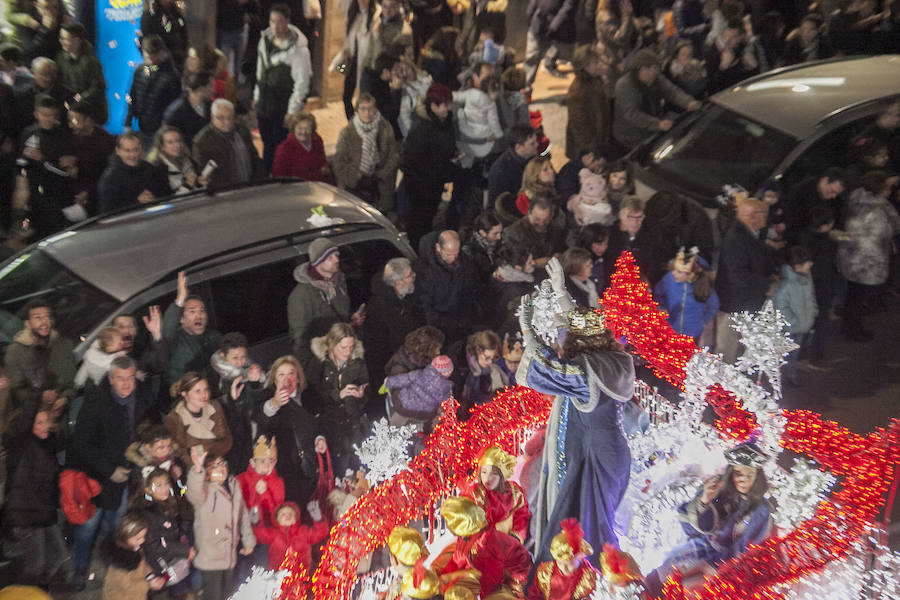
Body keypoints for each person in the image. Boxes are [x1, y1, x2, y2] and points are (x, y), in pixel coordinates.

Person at [518, 258, 634, 567]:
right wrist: (560, 291)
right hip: (611, 453)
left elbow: (543, 370)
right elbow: (582, 326)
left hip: (593, 458)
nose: (561, 341)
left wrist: (527, 331)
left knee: (588, 529)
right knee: (598, 524)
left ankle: (583, 580)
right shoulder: (614, 359)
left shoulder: (586, 374)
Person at [70, 355, 154, 590]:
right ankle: (80, 568)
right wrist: (108, 470)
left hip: (125, 478)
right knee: (87, 528)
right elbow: (82, 444)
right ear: (110, 379)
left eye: (130, 379)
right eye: (120, 379)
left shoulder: (139, 399)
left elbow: (145, 427)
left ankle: (106, 564)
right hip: (96, 480)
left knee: (113, 527)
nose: (126, 384)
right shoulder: (97, 401)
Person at [647, 443, 773, 595]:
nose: (743, 480)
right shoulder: (723, 491)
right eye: (738, 473)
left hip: (727, 564)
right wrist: (704, 501)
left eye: (749, 475)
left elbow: (742, 549)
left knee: (684, 586)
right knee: (661, 575)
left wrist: (710, 566)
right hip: (703, 547)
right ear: (731, 472)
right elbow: (695, 528)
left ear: (757, 476)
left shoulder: (761, 509)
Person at [5, 391, 66, 587]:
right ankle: (28, 592)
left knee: (60, 554)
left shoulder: (48, 442)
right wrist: (35, 390)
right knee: (35, 565)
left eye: (46, 421)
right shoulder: (20, 445)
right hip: (26, 516)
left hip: (43, 510)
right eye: (39, 422)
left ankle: (41, 587)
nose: (45, 426)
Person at [186, 444, 256, 600]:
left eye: (223, 464)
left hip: (229, 557)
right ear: (206, 474)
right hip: (210, 558)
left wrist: (248, 540)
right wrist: (197, 470)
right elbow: (193, 490)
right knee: (212, 596)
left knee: (228, 594)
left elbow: (243, 515)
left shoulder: (233, 485)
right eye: (214, 466)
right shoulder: (204, 491)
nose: (221, 468)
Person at [838, 170, 900, 343]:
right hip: (867, 259)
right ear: (881, 190)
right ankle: (854, 331)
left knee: (852, 295)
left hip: (850, 254)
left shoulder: (855, 199)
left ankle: (848, 327)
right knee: (858, 298)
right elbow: (887, 231)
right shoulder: (878, 210)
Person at [253, 355, 324, 504]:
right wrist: (274, 403)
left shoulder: (310, 396)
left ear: (298, 378)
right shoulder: (267, 399)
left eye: (291, 373)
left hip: (312, 467)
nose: (287, 379)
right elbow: (262, 418)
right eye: (281, 374)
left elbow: (319, 424)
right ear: (275, 380)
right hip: (287, 472)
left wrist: (320, 438)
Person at [715, 196, 775, 363]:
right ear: (752, 216)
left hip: (747, 300)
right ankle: (722, 384)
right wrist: (766, 284)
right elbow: (738, 275)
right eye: (764, 213)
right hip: (735, 303)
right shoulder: (735, 237)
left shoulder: (754, 232)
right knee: (728, 347)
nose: (767, 217)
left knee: (740, 345)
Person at [254, 3, 311, 175]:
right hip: (264, 104)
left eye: (280, 22)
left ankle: (278, 178)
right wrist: (257, 96)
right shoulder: (264, 40)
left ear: (288, 21)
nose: (275, 27)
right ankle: (267, 176)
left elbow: (302, 83)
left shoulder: (298, 50)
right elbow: (260, 70)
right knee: (267, 143)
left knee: (280, 146)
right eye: (272, 22)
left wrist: (292, 111)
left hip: (282, 107)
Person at [435, 496, 532, 597]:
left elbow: (491, 584)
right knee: (451, 585)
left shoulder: (484, 547)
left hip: (514, 579)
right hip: (487, 571)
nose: (446, 525)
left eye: (447, 522)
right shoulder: (468, 535)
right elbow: (458, 558)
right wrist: (444, 578)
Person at [306, 322, 369, 469]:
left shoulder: (357, 362)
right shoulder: (319, 364)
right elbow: (311, 398)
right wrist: (337, 394)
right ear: (332, 344)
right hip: (331, 430)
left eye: (351, 347)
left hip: (354, 427)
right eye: (343, 347)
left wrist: (361, 395)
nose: (347, 352)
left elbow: (367, 390)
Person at [401, 82, 457, 247]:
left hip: (434, 183)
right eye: (444, 105)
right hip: (421, 186)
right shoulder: (421, 129)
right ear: (433, 105)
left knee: (428, 217)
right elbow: (416, 162)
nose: (448, 108)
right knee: (419, 222)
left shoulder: (443, 120)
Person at [15, 93, 78, 238]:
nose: (48, 119)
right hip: (34, 192)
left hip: (56, 193)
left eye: (51, 115)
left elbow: (66, 172)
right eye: (45, 115)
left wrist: (43, 159)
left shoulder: (63, 136)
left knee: (52, 231)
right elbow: (21, 162)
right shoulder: (29, 132)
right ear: (37, 114)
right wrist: (21, 182)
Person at [612, 49, 701, 150]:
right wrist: (657, 124)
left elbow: (671, 91)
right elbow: (632, 114)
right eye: (653, 69)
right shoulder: (624, 86)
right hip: (630, 137)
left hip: (650, 131)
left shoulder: (655, 78)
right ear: (642, 69)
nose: (655, 73)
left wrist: (688, 102)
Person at [287, 238, 357, 366]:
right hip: (324, 362)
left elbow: (342, 314)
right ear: (317, 262)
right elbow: (299, 338)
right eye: (330, 257)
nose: (336, 260)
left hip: (347, 353)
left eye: (336, 255)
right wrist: (311, 367)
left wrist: (353, 321)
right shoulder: (301, 295)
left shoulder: (339, 281)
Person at [128, 468, 195, 594]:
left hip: (172, 554)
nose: (165, 488)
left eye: (166, 483)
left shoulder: (166, 502)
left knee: (184, 585)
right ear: (147, 489)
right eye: (159, 485)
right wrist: (185, 550)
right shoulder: (147, 513)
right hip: (164, 561)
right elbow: (154, 545)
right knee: (180, 590)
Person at [363, 257, 426, 387]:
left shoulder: (408, 298)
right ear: (398, 283)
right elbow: (378, 349)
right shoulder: (378, 309)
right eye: (410, 275)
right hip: (393, 370)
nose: (414, 276)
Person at [333, 93, 400, 213]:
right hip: (355, 184)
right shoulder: (348, 132)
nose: (367, 113)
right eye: (363, 109)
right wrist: (355, 176)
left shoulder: (385, 128)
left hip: (379, 181)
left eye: (370, 108)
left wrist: (383, 174)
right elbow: (339, 161)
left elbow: (393, 155)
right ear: (357, 111)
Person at [5, 299, 75, 412]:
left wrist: (64, 398)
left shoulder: (64, 346)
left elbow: (71, 383)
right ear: (28, 323)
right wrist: (39, 396)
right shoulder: (16, 351)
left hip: (57, 415)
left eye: (47, 317)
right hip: (29, 414)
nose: (44, 322)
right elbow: (15, 389)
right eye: (38, 318)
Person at [208, 331, 265, 471]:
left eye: (243, 357)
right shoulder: (214, 380)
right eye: (235, 358)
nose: (240, 363)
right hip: (230, 440)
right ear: (223, 356)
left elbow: (256, 404)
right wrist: (232, 400)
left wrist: (255, 385)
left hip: (251, 433)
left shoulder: (250, 372)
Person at [414, 230, 479, 343]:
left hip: (460, 324)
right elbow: (424, 303)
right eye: (449, 254)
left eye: (456, 253)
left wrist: (465, 318)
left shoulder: (465, 263)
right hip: (437, 327)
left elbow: (467, 292)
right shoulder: (424, 269)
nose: (454, 259)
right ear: (438, 248)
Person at [162, 271, 223, 388]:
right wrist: (180, 299)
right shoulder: (176, 339)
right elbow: (166, 332)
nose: (198, 316)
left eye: (202, 311)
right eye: (192, 311)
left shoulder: (214, 337)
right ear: (181, 319)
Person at [797, 207, 839, 367]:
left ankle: (800, 352)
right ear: (824, 225)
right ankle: (816, 355)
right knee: (821, 320)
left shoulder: (803, 237)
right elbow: (828, 266)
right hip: (822, 286)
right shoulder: (826, 242)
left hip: (805, 285)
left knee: (806, 319)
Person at [462, 446, 530, 542]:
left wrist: (515, 536)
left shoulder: (515, 492)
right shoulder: (475, 494)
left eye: (493, 473)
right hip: (482, 546)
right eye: (484, 472)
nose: (488, 478)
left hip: (507, 544)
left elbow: (522, 515)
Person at [124, 35, 181, 149]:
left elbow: (175, 104)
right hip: (143, 126)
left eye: (153, 55)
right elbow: (133, 96)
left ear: (161, 53)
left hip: (161, 129)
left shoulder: (171, 75)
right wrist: (128, 122)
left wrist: (168, 125)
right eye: (147, 54)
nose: (150, 58)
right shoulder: (140, 70)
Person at [526, 519, 604, 600]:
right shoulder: (544, 571)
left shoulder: (592, 579)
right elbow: (535, 594)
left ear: (581, 557)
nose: (564, 568)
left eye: (568, 564)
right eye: (559, 563)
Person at [193, 98, 263, 188]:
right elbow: (203, 175)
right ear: (212, 117)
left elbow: (254, 158)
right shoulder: (201, 141)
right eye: (221, 118)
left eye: (230, 117)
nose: (227, 122)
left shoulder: (242, 131)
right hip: (224, 194)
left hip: (249, 187)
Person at [773, 246, 817, 386]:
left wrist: (813, 312)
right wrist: (793, 322)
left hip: (803, 324)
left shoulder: (806, 278)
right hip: (792, 328)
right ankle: (788, 376)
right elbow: (780, 307)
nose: (811, 264)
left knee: (795, 352)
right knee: (788, 354)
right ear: (797, 266)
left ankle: (791, 373)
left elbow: (811, 297)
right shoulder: (786, 285)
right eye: (807, 262)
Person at [97, 131, 172, 214]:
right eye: (127, 150)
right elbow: (107, 210)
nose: (133, 155)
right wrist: (136, 202)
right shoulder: (110, 178)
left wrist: (154, 196)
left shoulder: (150, 169)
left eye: (135, 150)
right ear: (118, 151)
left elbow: (166, 193)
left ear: (141, 149)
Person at [654, 247, 718, 342]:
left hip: (692, 333)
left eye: (679, 272)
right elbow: (657, 294)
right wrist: (662, 307)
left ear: (691, 274)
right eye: (674, 270)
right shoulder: (669, 279)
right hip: (669, 329)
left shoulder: (703, 287)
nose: (674, 274)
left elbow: (712, 306)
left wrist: (703, 322)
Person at [236, 436, 286, 556]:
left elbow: (276, 510)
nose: (266, 466)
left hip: (268, 535)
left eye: (270, 461)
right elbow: (240, 508)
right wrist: (255, 493)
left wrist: (264, 493)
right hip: (246, 535)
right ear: (252, 462)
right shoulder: (241, 479)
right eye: (262, 461)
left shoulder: (277, 481)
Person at [101, 514, 167, 600]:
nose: (143, 540)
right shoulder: (120, 564)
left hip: (137, 588)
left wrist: (150, 574)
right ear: (125, 537)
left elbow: (142, 564)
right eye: (138, 538)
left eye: (143, 536)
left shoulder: (134, 547)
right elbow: (126, 586)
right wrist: (148, 584)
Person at [68, 101, 116, 215]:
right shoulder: (70, 137)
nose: (70, 125)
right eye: (69, 121)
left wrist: (88, 192)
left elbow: (108, 174)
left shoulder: (105, 142)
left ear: (88, 121)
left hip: (97, 197)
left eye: (75, 121)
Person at [56, 22, 107, 124]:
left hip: (91, 113)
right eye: (60, 38)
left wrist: (79, 98)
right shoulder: (60, 58)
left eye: (64, 39)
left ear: (76, 40)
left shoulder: (90, 61)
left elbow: (99, 86)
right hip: (71, 109)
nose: (61, 41)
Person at [502, 193, 567, 270]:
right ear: (529, 212)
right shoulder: (514, 233)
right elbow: (510, 262)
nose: (541, 223)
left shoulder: (555, 229)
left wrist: (558, 256)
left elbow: (564, 250)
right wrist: (534, 263)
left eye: (546, 220)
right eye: (537, 219)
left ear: (551, 216)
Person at [566, 44, 610, 159]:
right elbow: (580, 126)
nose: (598, 65)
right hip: (586, 150)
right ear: (584, 66)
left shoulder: (594, 79)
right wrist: (592, 152)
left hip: (598, 141)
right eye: (594, 63)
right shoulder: (578, 91)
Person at [255, 501, 328, 570]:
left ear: (296, 518)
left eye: (291, 514)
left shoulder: (303, 531)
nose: (287, 516)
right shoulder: (274, 534)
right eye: (283, 514)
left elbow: (319, 533)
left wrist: (319, 520)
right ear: (276, 520)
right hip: (277, 576)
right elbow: (261, 535)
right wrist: (256, 523)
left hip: (300, 576)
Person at [384, 353, 453, 426]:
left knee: (398, 419)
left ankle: (393, 429)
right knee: (427, 418)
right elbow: (444, 405)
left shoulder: (420, 374)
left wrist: (388, 381)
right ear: (448, 374)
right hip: (423, 415)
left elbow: (404, 379)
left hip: (405, 405)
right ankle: (419, 430)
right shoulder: (446, 389)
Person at [784, 167, 846, 241]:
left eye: (837, 194)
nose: (834, 196)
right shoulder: (799, 193)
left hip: (829, 235)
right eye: (832, 191)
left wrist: (844, 237)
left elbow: (840, 217)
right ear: (824, 180)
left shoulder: (835, 197)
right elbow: (794, 225)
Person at [447, 330, 500, 415]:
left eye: (493, 358)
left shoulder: (484, 368)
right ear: (478, 350)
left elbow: (481, 393)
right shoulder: (458, 363)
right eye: (487, 357)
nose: (490, 362)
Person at [487, 245, 536, 334]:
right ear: (517, 267)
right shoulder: (515, 290)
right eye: (529, 262)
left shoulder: (498, 274)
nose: (533, 263)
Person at [13, 56, 73, 129]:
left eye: (51, 73)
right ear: (32, 73)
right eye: (43, 74)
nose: (48, 78)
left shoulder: (67, 93)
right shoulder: (23, 96)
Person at [271, 110, 332, 181]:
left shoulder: (317, 140)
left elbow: (323, 162)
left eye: (307, 128)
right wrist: (319, 174)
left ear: (312, 129)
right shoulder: (284, 149)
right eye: (299, 128)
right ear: (293, 129)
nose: (303, 132)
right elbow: (280, 178)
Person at [704, 19, 759, 95]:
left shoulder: (745, 50)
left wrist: (752, 68)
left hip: (742, 94)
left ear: (741, 37)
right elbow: (710, 86)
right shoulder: (713, 53)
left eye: (733, 37)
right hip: (722, 96)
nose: (728, 40)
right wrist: (722, 68)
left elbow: (752, 81)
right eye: (726, 36)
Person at [487, 124, 538, 205]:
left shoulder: (532, 156)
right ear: (518, 147)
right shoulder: (500, 171)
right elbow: (498, 204)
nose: (537, 145)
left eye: (536, 141)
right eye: (532, 144)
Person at [147, 126, 204, 196]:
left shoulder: (191, 162)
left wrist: (201, 184)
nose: (177, 145)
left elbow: (199, 191)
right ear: (162, 147)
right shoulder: (157, 170)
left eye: (178, 140)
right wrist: (187, 186)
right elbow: (165, 200)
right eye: (170, 142)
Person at [162, 71, 213, 144]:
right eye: (211, 86)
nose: (213, 89)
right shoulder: (175, 111)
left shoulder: (211, 106)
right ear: (201, 89)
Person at [140, 0, 188, 68]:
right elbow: (147, 42)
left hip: (177, 67)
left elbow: (184, 38)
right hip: (159, 68)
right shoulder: (151, 14)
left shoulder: (177, 14)